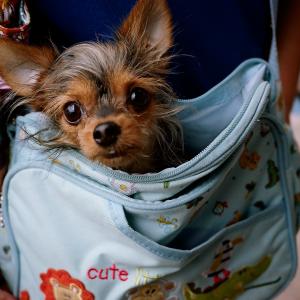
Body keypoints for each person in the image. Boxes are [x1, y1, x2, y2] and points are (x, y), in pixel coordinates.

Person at [0, 0, 299, 298]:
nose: (105, 127)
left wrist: (278, 102)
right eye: (74, 112)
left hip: (237, 140)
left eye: (135, 98)